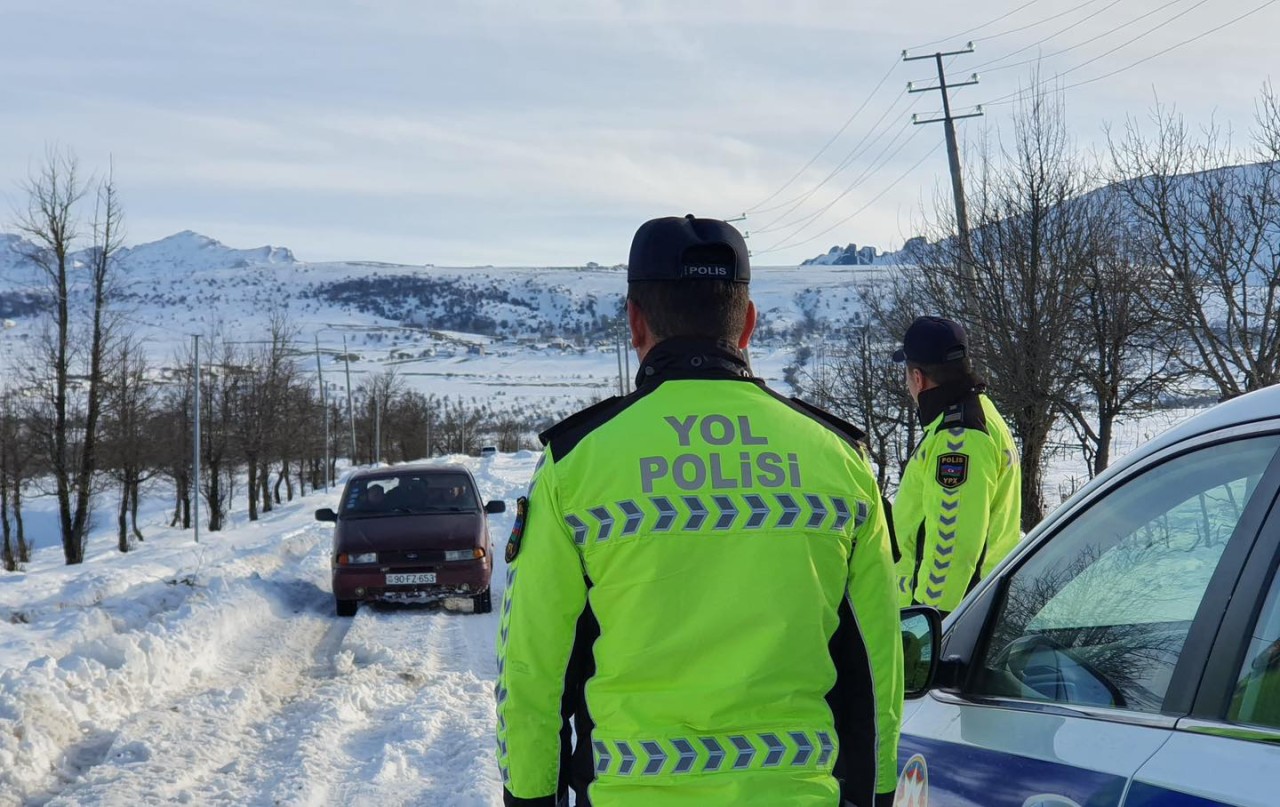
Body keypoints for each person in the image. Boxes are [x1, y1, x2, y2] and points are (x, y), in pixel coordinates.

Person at [495, 214, 903, 807]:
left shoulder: (575, 465)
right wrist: (877, 794)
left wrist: (529, 800)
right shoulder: (838, 459)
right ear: (749, 325)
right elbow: (877, 667)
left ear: (636, 321)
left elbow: (532, 673)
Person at [890, 316, 1021, 615]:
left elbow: (951, 548)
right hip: (978, 604)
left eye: (907, 375)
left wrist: (928, 626)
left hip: (949, 617)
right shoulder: (978, 412)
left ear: (918, 378)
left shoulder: (957, 438)